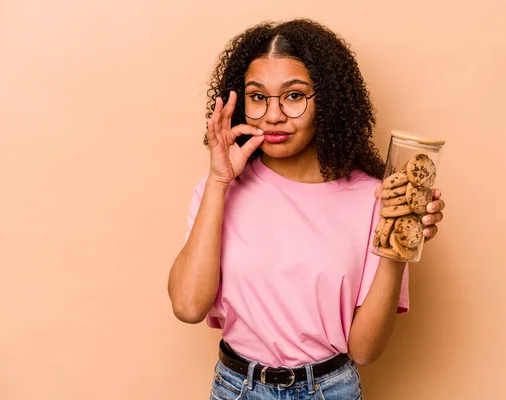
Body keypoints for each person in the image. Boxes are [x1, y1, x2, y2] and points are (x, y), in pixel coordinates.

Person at [168, 18, 445, 399]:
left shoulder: (374, 199)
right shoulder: (220, 188)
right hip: (237, 389)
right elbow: (187, 305)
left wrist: (398, 240)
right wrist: (218, 182)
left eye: (294, 96)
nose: (273, 114)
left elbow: (365, 350)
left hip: (330, 390)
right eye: (258, 96)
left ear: (327, 100)